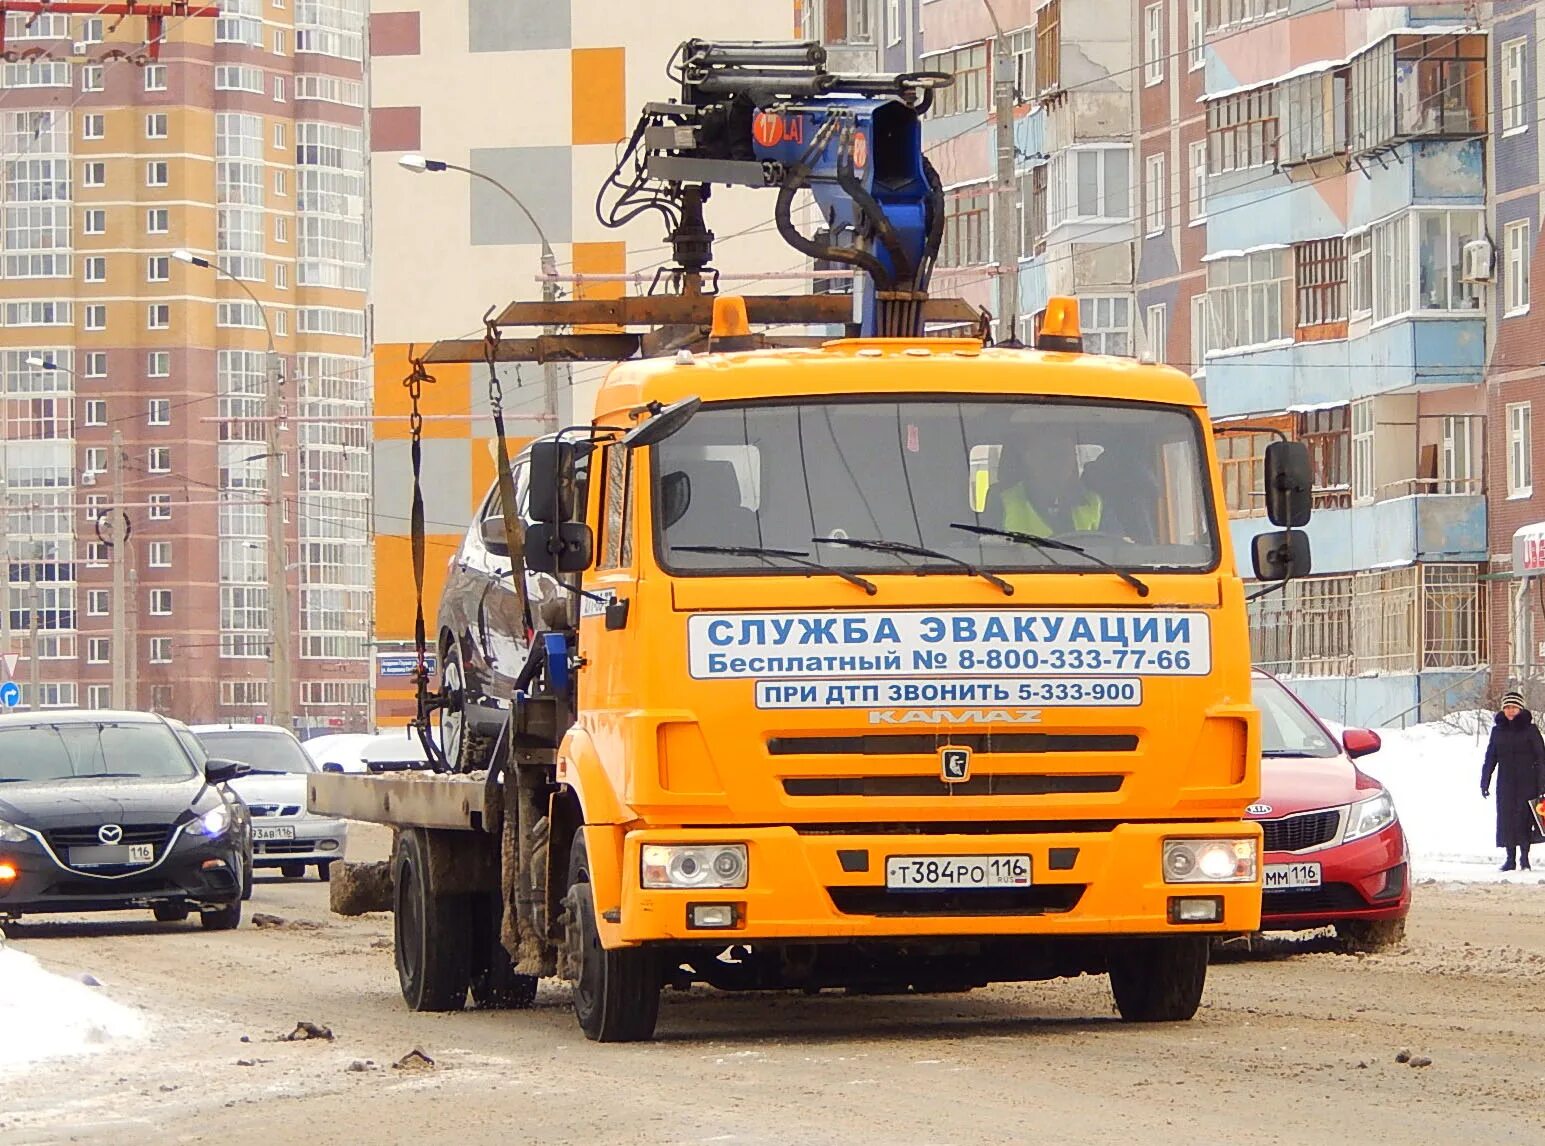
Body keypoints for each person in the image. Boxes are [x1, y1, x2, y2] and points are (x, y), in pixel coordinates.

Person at [988, 425, 1103, 536]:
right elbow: (985, 550)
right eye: (1050, 454)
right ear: (1030, 459)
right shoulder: (1002, 501)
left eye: (1064, 454)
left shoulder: (1094, 503)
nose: (1058, 463)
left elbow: (1115, 546)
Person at [1480, 690, 1545, 871]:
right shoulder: (1497, 731)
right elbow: (1491, 757)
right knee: (1507, 820)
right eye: (1507, 707)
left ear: (1520, 709)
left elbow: (1541, 758)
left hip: (1528, 782)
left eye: (1514, 707)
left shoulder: (1531, 730)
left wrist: (1542, 784)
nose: (1510, 711)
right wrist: (1485, 780)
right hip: (1506, 783)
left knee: (1524, 820)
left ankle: (1524, 859)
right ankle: (1510, 859)